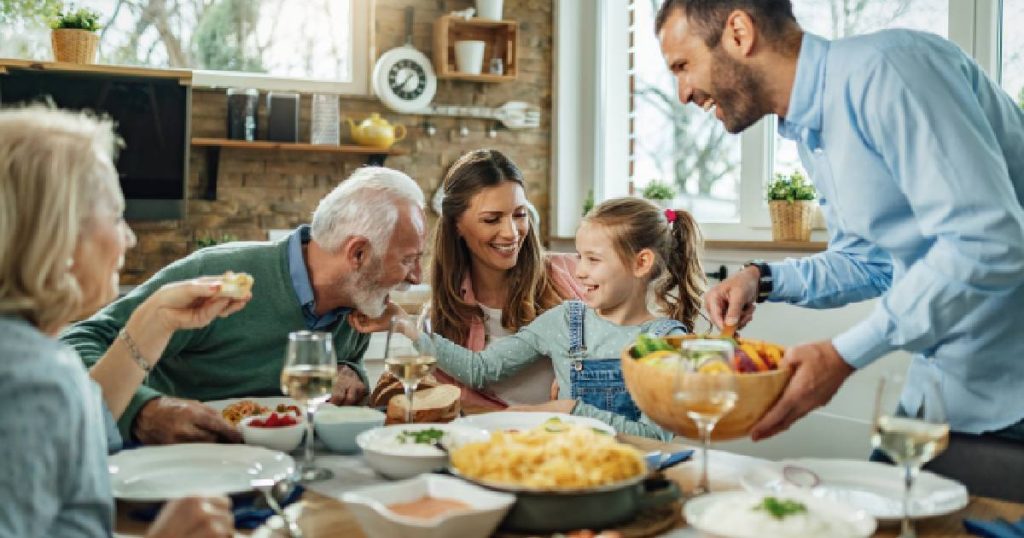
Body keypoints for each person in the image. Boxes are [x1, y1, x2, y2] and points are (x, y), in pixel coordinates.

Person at [656, 0, 1024, 498]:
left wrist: (842, 355)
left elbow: (989, 242)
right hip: (942, 393)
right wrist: (760, 278)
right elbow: (871, 261)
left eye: (682, 65)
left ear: (739, 32)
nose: (682, 93)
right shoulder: (815, 131)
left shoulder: (891, 70)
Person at [0, 106, 238, 536]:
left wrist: (157, 317)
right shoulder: (30, 377)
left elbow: (82, 430)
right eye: (115, 216)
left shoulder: (25, 353)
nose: (129, 237)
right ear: (59, 234)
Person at [62, 165, 426, 445]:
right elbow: (76, 344)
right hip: (166, 462)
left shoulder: (359, 303)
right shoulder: (219, 274)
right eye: (409, 259)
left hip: (273, 466)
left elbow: (345, 375)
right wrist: (143, 410)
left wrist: (352, 376)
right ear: (358, 253)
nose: (416, 277)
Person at [395, 197, 706, 439]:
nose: (580, 270)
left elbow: (657, 438)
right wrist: (407, 328)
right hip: (563, 465)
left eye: (593, 260)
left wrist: (572, 411)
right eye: (579, 256)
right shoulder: (565, 321)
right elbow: (481, 370)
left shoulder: (665, 341)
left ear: (641, 263)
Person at [428, 149, 584, 409]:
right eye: (492, 219)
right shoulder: (440, 320)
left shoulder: (575, 274)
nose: (511, 232)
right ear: (456, 225)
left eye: (519, 215)